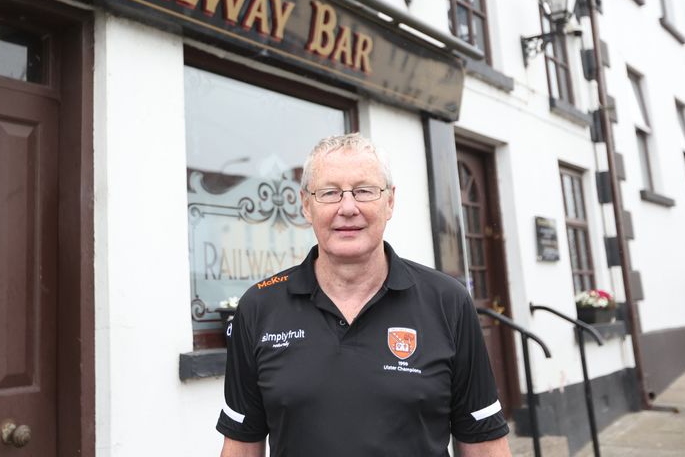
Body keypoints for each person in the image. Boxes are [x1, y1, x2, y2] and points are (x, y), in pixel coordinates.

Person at [216, 133, 511, 457]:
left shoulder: (448, 302)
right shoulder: (259, 308)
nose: (347, 208)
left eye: (364, 191)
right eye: (329, 193)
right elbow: (242, 447)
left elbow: (484, 445)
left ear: (390, 201)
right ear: (306, 204)